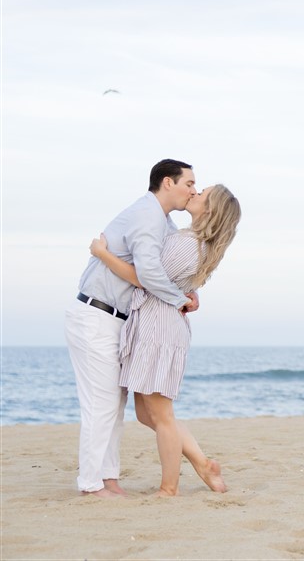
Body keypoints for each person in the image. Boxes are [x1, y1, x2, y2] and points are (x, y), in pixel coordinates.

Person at [89, 183, 241, 497]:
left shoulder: (187, 243)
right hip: (156, 328)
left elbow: (147, 279)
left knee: (162, 415)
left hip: (159, 332)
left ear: (210, 210)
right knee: (148, 414)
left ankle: (169, 488)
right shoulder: (193, 242)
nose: (195, 193)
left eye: (203, 194)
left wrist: (102, 254)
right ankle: (203, 463)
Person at [65, 159, 199, 498]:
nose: (193, 191)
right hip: (96, 314)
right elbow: (150, 276)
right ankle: (91, 483)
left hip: (116, 320)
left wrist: (191, 292)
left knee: (114, 402)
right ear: (168, 183)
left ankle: (107, 479)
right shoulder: (146, 216)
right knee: (101, 403)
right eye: (189, 183)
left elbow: (169, 270)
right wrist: (177, 300)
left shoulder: (163, 222)